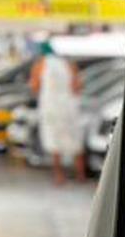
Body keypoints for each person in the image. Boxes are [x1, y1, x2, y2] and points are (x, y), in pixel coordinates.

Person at [30, 39, 86, 184]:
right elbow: (78, 87)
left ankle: (59, 176)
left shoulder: (40, 65)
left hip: (51, 107)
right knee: (75, 141)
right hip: (69, 108)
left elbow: (35, 87)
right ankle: (80, 175)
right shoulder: (68, 64)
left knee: (54, 141)